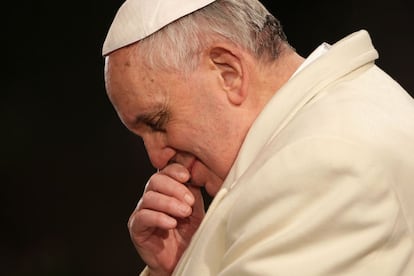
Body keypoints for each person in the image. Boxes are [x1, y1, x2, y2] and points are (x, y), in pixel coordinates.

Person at [102, 0, 414, 275]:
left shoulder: (321, 162)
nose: (156, 158)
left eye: (157, 122)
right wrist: (190, 258)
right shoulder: (340, 113)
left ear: (228, 72)